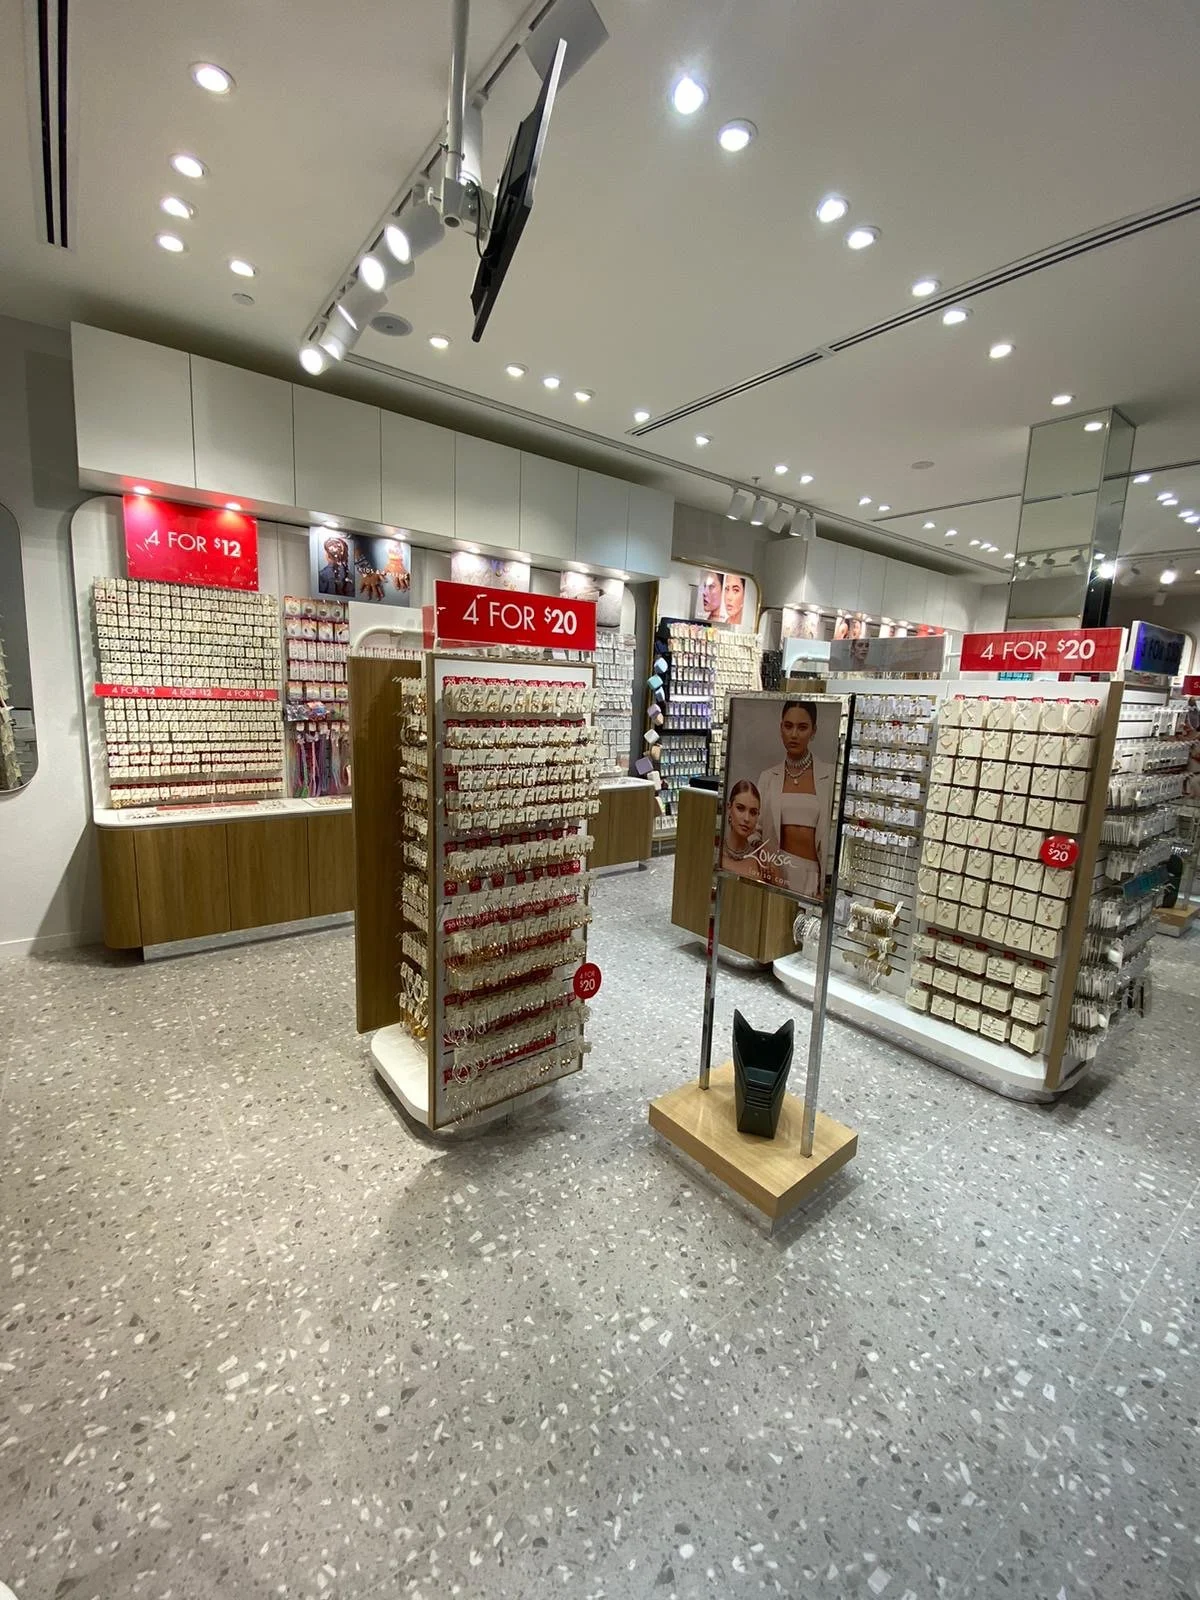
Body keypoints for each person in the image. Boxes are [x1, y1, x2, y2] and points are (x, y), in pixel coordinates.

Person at [757, 700, 835, 900]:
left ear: (813, 731)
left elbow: (834, 836)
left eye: (802, 727)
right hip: (775, 872)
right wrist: (764, 862)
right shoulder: (767, 777)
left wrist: (827, 884)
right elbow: (754, 830)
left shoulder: (829, 776)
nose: (794, 734)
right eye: (788, 726)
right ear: (781, 728)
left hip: (811, 875)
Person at [721, 780, 763, 878]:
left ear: (758, 816)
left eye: (753, 812)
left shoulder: (761, 861)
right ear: (729, 808)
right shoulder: (714, 853)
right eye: (740, 808)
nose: (746, 818)